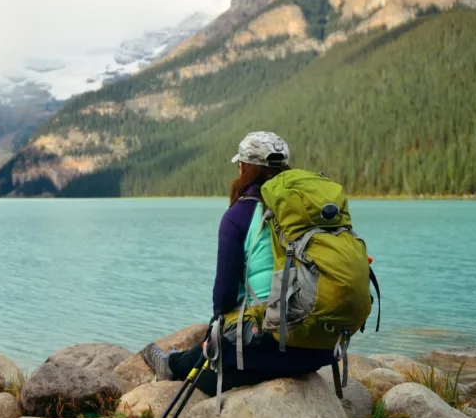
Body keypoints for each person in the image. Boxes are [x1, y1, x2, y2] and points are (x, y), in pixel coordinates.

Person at [141, 131, 336, 397]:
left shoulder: (239, 216)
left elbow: (223, 300)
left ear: (245, 168)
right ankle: (178, 360)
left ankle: (171, 365)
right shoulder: (313, 211)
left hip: (264, 350)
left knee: (207, 363)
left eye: (239, 165)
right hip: (319, 348)